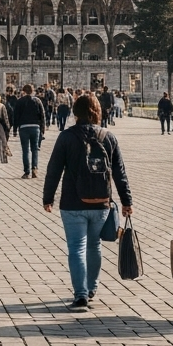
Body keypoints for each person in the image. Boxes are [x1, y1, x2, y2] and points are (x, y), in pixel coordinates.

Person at [41, 94, 133, 313]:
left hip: (73, 202)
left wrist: (48, 197)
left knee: (76, 248)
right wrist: (127, 200)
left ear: (75, 112)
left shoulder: (66, 137)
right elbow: (120, 173)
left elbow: (53, 169)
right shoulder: (108, 137)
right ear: (97, 111)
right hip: (101, 202)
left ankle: (80, 295)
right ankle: (92, 288)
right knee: (94, 245)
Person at [13, 84, 47, 179]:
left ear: (23, 91)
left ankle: (26, 172)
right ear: (32, 91)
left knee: (25, 150)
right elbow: (42, 116)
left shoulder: (20, 102)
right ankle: (34, 169)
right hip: (35, 127)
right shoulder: (37, 101)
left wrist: (15, 129)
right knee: (35, 149)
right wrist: (42, 129)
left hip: (23, 127)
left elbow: (16, 116)